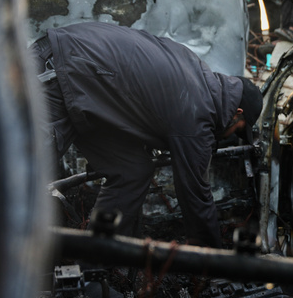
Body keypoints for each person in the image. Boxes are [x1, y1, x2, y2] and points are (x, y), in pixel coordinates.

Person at [31, 22, 262, 248]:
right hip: (58, 71)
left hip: (84, 86)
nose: (233, 136)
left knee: (131, 170)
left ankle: (96, 267)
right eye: (239, 131)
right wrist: (215, 262)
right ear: (236, 114)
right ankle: (5, 269)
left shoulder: (198, 75)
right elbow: (196, 197)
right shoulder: (199, 111)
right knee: (22, 174)